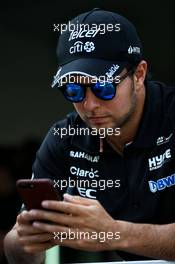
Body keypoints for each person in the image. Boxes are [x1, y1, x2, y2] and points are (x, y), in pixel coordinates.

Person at [4, 8, 175, 264]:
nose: (89, 105)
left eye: (103, 88)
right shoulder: (65, 138)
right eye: (74, 90)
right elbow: (16, 251)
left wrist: (114, 233)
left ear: (138, 75)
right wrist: (26, 240)